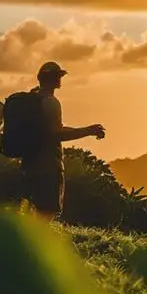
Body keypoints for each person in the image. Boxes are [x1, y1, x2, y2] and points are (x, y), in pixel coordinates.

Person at [22, 61, 105, 221]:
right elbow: (56, 134)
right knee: (46, 214)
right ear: (55, 80)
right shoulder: (51, 102)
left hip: (29, 163)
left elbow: (54, 129)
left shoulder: (32, 99)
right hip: (48, 165)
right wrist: (87, 131)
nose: (60, 80)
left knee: (33, 211)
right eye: (58, 76)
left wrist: (85, 130)